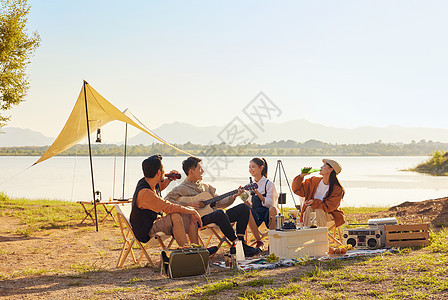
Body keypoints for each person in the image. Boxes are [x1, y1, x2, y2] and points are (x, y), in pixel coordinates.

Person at [165, 156, 261, 257]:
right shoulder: (181, 188)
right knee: (219, 214)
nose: (202, 171)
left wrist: (234, 196)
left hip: (216, 217)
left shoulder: (206, 187)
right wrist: (186, 206)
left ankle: (239, 244)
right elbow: (166, 200)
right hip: (197, 220)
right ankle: (238, 245)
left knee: (243, 208)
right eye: (199, 169)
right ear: (191, 171)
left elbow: (221, 203)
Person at [130, 155, 203, 250]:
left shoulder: (150, 182)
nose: (165, 172)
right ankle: (186, 251)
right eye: (163, 169)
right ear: (159, 172)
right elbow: (168, 207)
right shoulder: (145, 193)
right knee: (175, 215)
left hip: (154, 222)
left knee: (189, 216)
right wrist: (192, 210)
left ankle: (196, 249)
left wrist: (169, 178)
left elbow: (160, 186)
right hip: (146, 231)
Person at [291, 158, 345, 228]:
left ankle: (316, 235)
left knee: (318, 210)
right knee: (309, 209)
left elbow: (329, 207)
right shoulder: (313, 181)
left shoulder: (337, 189)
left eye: (324, 166)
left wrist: (314, 202)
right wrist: (302, 175)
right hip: (312, 213)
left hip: (329, 215)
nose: (321, 167)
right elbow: (297, 190)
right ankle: (310, 234)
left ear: (330, 170)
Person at [242, 158, 279, 248]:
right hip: (256, 214)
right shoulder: (249, 185)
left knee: (273, 209)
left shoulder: (269, 184)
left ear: (261, 168)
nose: (251, 169)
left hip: (268, 213)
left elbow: (271, 203)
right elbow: (250, 202)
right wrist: (242, 198)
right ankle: (259, 241)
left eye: (253, 167)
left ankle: (272, 241)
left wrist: (258, 193)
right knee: (245, 210)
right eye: (249, 167)